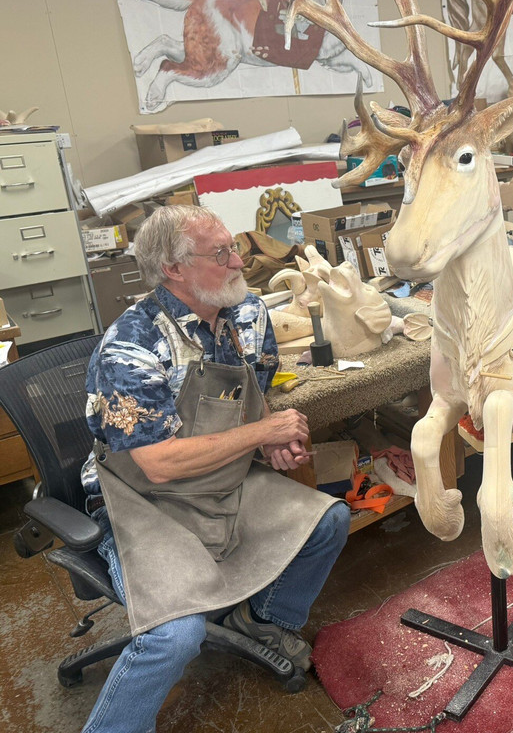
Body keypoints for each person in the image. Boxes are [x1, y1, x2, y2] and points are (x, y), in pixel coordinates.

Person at [81, 205, 351, 733]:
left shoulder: (248, 315)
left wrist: (269, 445)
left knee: (329, 520)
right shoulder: (131, 346)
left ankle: (262, 621)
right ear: (173, 268)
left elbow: (255, 401)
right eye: (222, 253)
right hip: (147, 501)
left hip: (225, 479)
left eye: (235, 247)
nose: (238, 261)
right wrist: (260, 435)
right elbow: (157, 465)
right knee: (175, 634)